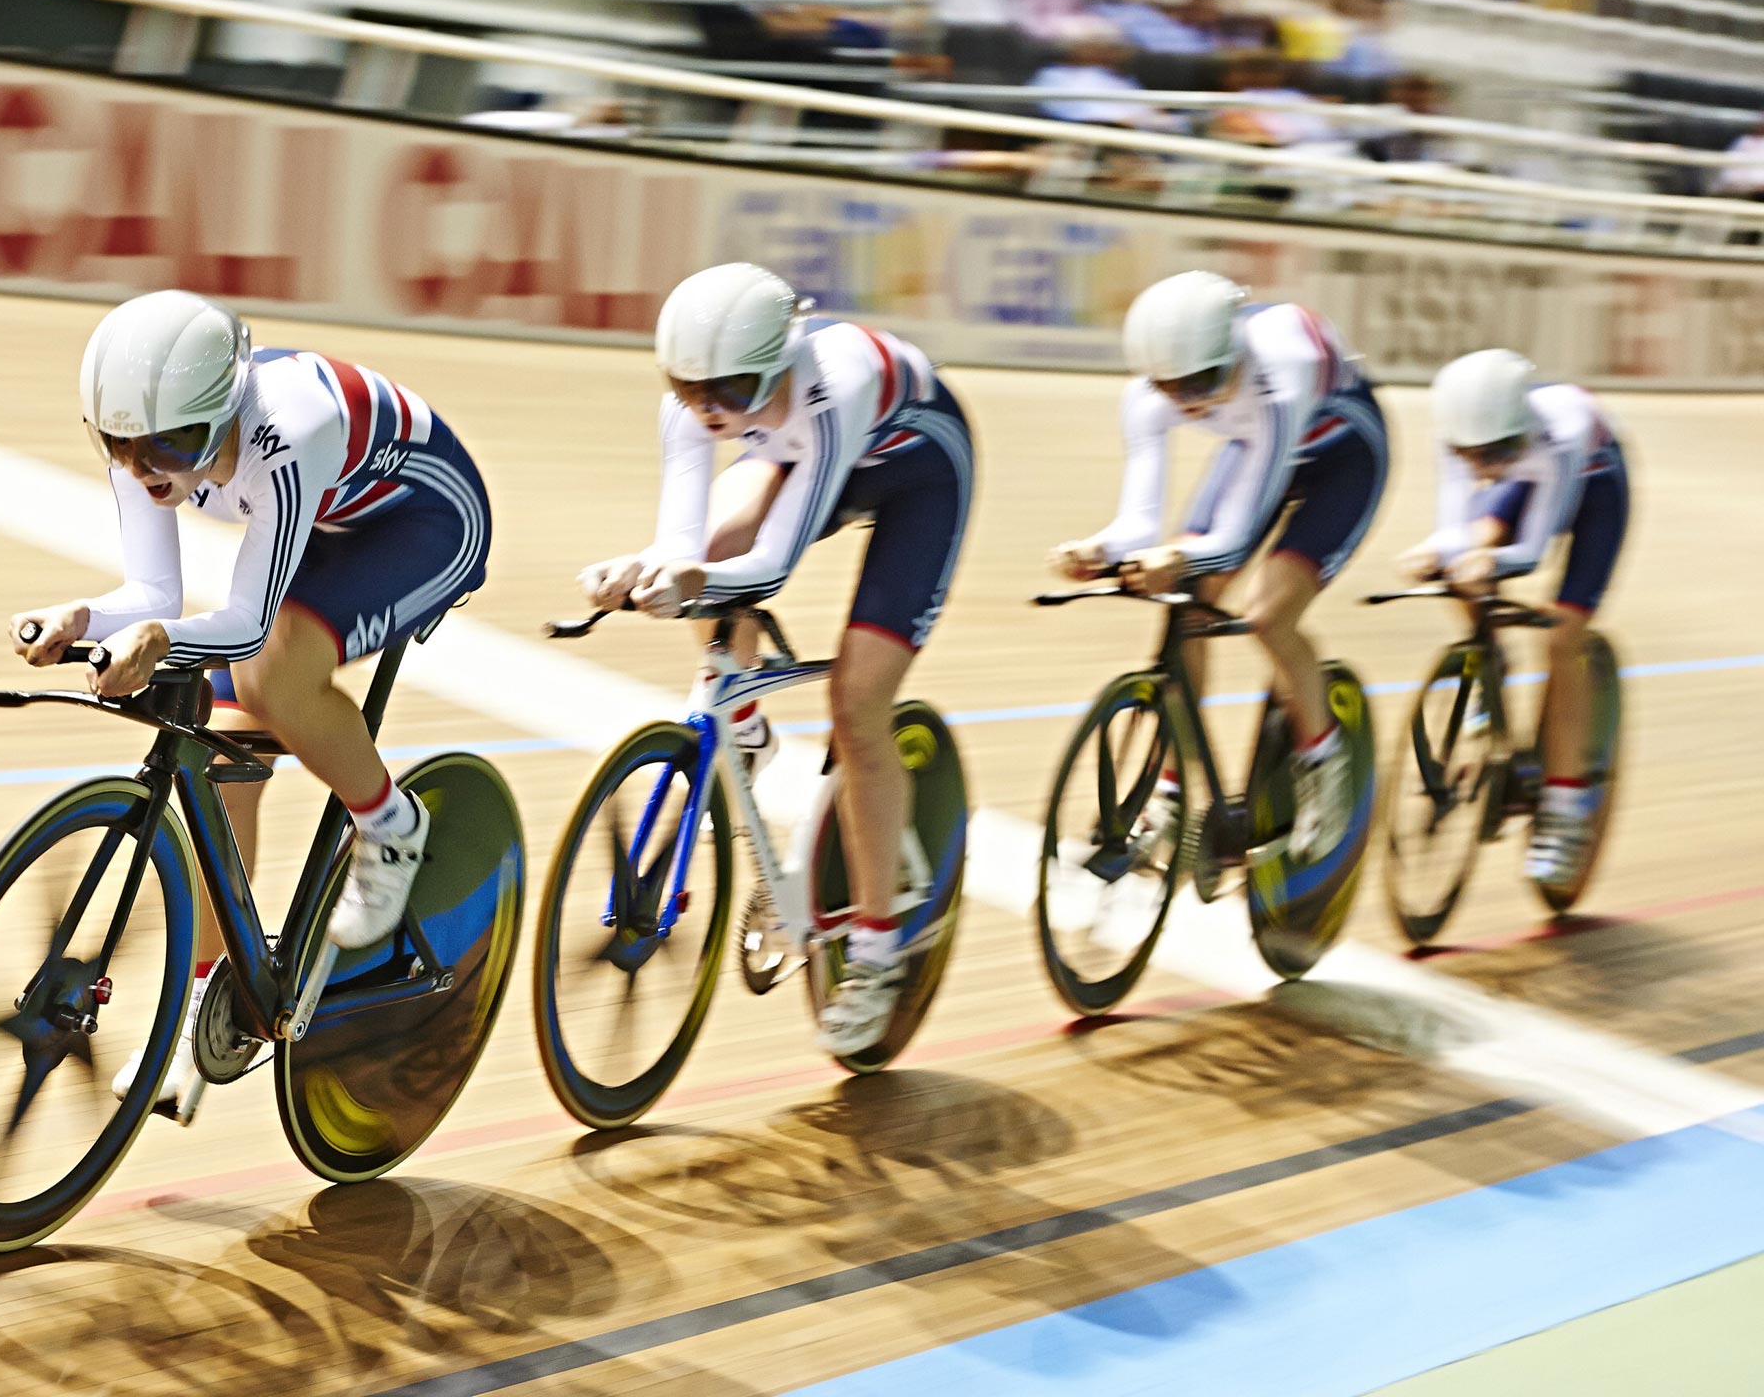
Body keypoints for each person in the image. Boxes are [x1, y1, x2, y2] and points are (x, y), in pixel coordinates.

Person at [9, 290, 492, 1121]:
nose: (148, 466)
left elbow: (245, 623)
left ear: (224, 408)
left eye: (173, 445)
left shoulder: (287, 431)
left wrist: (159, 640)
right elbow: (152, 590)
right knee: (224, 749)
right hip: (328, 525)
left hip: (428, 523)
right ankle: (208, 997)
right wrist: (80, 617)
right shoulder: (145, 436)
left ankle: (391, 825)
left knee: (274, 675)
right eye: (123, 447)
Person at [577, 263, 975, 1057]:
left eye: (730, 391)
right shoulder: (698, 401)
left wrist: (693, 580)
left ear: (779, 361)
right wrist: (641, 569)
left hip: (917, 477)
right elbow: (685, 547)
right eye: (691, 391)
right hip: (800, 451)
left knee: (859, 710)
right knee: (712, 548)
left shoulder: (835, 380)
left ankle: (873, 953)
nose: (709, 411)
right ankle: (745, 726)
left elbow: (772, 565)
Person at [1048, 271, 1387, 859]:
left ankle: (1323, 764)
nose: (1190, 402)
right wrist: (1099, 549)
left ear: (1233, 352)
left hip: (1342, 459)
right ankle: (1172, 795)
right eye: (1171, 388)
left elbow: (1229, 539)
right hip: (1254, 446)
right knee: (1188, 608)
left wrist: (1175, 556)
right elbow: (1138, 524)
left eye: (1203, 382)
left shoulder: (1284, 371)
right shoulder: (1152, 395)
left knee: (1268, 617)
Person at [1398, 350, 1629, 888]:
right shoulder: (1471, 438)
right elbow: (1456, 530)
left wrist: (1486, 561)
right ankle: (1491, 662)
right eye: (1469, 455)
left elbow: (1530, 552)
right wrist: (1442, 552)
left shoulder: (1560, 436)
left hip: (1594, 486)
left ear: (1517, 430)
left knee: (1562, 637)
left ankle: (1565, 806)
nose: (1480, 467)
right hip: (1527, 475)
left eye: (1494, 452)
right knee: (1464, 560)